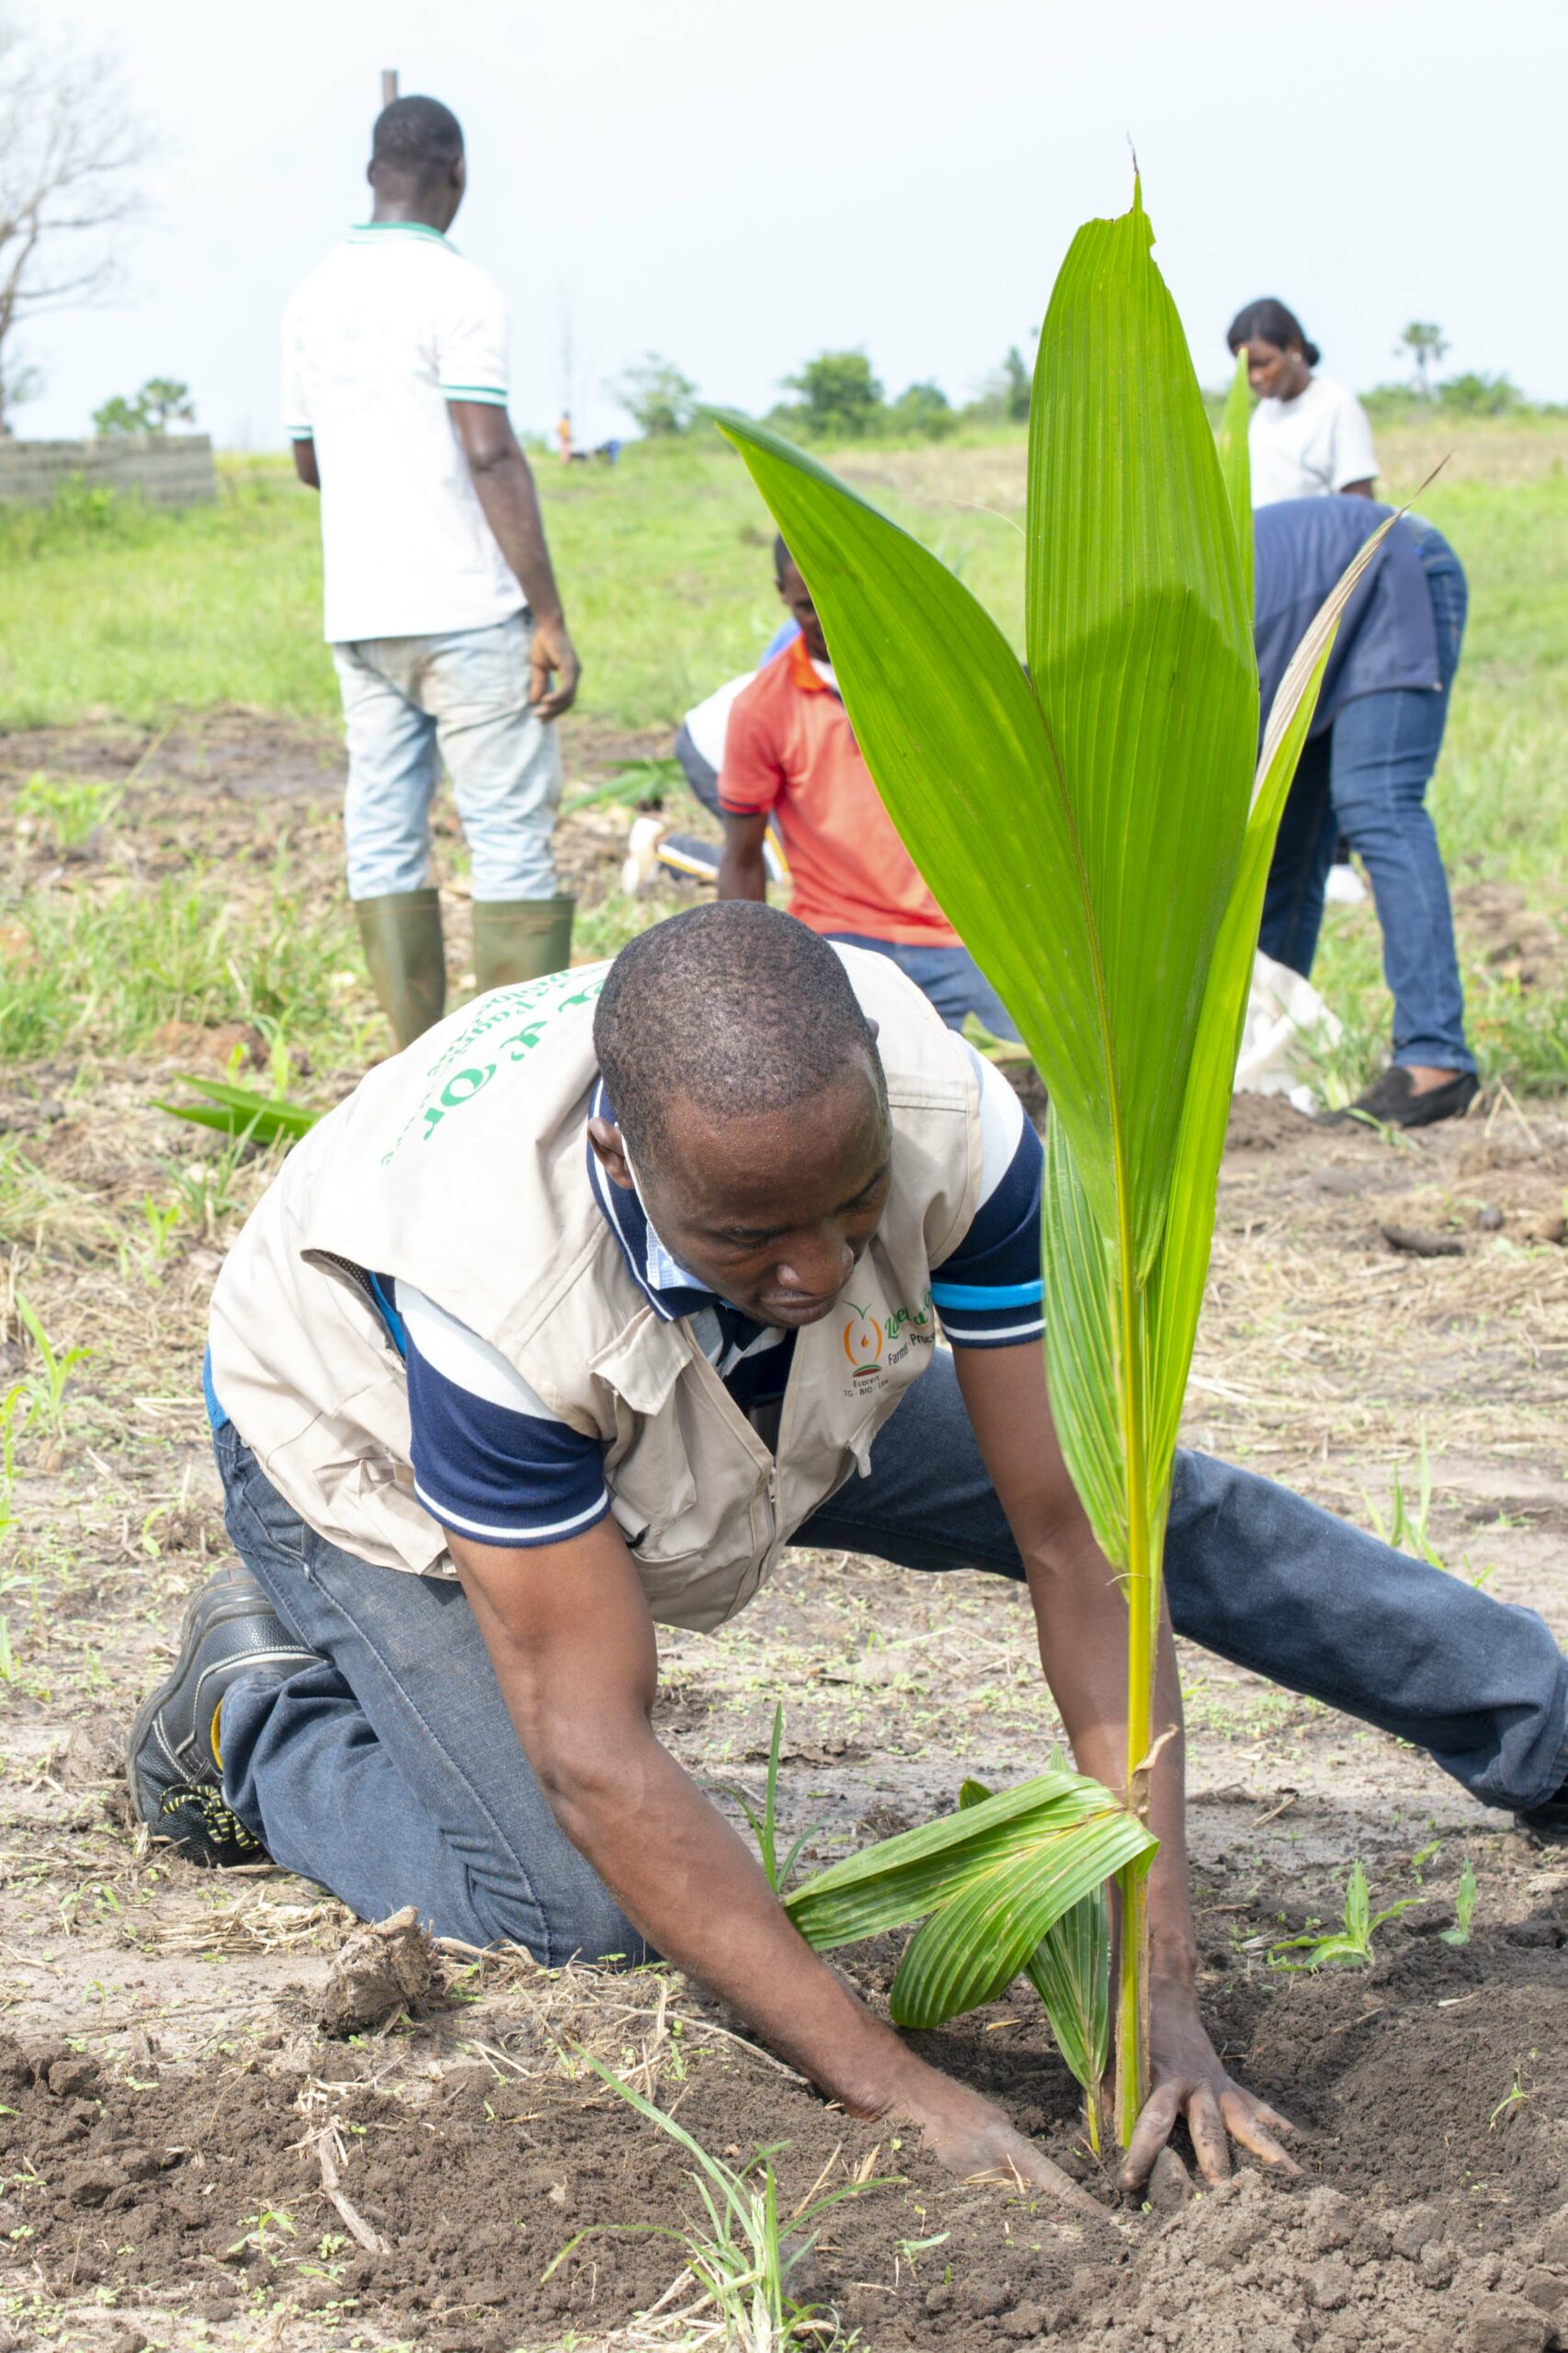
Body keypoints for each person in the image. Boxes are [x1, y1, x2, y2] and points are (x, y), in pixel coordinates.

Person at [129, 904, 1568, 2206]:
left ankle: (1541, 1730)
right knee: (575, 1913)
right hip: (368, 1445)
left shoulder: (942, 1112)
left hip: (757, 1405)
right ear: (624, 1158)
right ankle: (253, 1711)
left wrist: (1162, 1984)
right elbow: (594, 1750)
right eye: (756, 1232)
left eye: (853, 1204)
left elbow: (1080, 1544)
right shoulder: (489, 1288)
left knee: (1158, 1507)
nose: (818, 1272)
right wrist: (893, 2085)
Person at [283, 95, 581, 1051]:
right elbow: (488, 451)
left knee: (381, 830)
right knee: (504, 835)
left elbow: (306, 462)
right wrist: (548, 614)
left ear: (374, 175)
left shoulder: (311, 294)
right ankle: (506, 1068)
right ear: (455, 175)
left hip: (361, 618)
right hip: (466, 611)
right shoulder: (462, 290)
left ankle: (411, 1066)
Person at [717, 539, 1023, 1042]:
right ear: (781, 595)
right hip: (841, 938)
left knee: (1029, 1084)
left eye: (836, 595)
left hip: (964, 934)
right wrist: (746, 980)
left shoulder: (941, 680)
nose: (825, 617)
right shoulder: (763, 707)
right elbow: (743, 859)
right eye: (805, 606)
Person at [1256, 496, 1477, 1127]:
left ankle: (1437, 1058)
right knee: (1285, 844)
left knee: (1374, 800)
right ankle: (1272, 1046)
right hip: (1312, 625)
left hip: (1391, 574)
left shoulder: (1123, 691)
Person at [1228, 298, 1378, 508]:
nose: (1255, 377)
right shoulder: (1262, 415)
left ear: (1294, 347)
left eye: (1263, 363)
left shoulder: (1335, 405)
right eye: (1246, 367)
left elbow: (1360, 505)